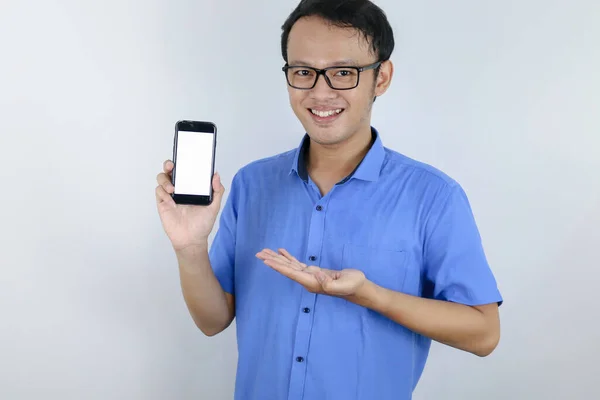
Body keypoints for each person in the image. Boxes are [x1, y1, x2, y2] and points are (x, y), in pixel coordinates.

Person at [155, 0, 503, 399]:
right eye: (303, 72)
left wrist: (370, 295)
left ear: (382, 77)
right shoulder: (252, 184)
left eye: (343, 73)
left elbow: (484, 333)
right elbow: (212, 320)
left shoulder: (434, 196)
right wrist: (190, 248)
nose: (321, 92)